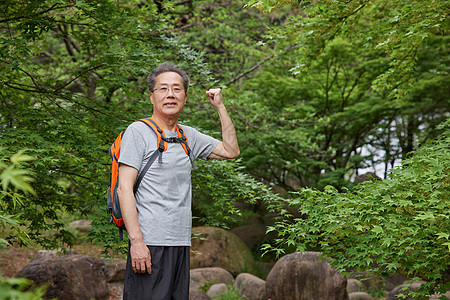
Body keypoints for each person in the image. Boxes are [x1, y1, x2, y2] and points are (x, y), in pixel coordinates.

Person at [117, 62, 240, 299]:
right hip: (150, 243)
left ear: (185, 96)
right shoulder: (137, 132)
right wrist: (137, 243)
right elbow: (124, 190)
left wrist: (220, 107)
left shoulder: (188, 135)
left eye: (177, 89)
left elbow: (231, 150)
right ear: (152, 97)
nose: (170, 94)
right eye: (163, 89)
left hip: (180, 241)